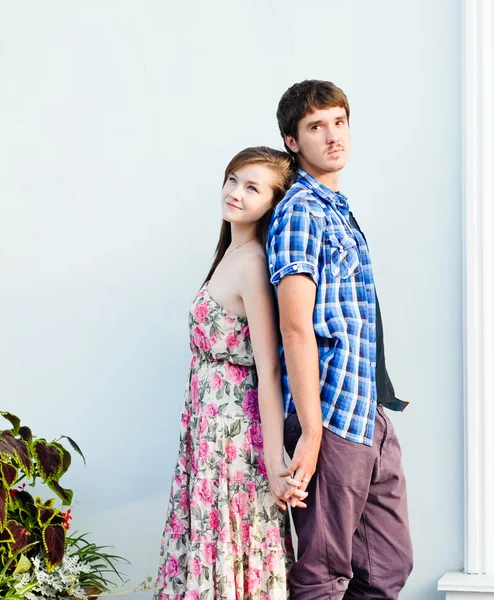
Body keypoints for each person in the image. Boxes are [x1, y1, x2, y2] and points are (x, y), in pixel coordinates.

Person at [266, 80, 413, 600]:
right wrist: (310, 430)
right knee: (322, 573)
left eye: (338, 122)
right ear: (292, 140)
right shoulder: (300, 211)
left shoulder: (335, 208)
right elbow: (295, 325)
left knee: (386, 565)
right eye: (315, 126)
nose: (332, 135)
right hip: (328, 414)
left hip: (365, 406)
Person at [154, 146, 305, 600]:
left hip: (233, 440)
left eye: (252, 187)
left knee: (234, 544)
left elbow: (270, 369)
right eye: (233, 179)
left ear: (272, 203)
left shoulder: (254, 264)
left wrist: (276, 459)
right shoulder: (231, 254)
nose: (236, 192)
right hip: (207, 433)